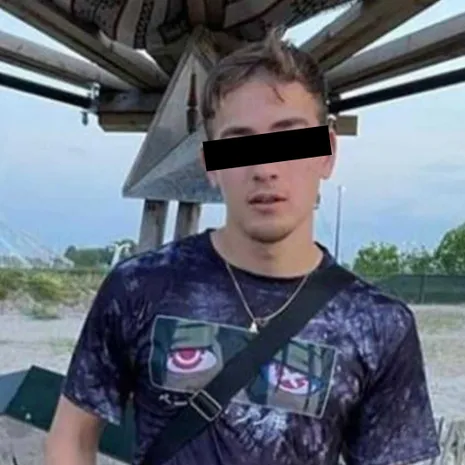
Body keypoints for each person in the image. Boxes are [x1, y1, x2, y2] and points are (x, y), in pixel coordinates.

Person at [45, 28, 440, 465]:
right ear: (211, 165)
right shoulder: (139, 287)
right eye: (238, 144)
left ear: (327, 152)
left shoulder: (378, 324)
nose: (264, 168)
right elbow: (72, 438)